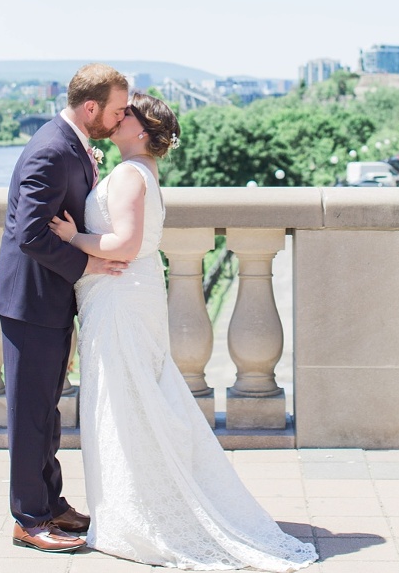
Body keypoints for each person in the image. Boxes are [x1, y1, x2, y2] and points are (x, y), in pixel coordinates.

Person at [49, 91, 317, 571]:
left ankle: (134, 515)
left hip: (120, 296)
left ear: (144, 132)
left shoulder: (132, 174)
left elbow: (124, 244)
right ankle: (131, 508)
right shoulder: (141, 171)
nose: (119, 116)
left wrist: (72, 238)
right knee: (130, 398)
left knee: (124, 398)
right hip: (124, 294)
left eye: (127, 113)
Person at [0, 63, 130, 554]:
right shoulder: (51, 150)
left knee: (45, 412)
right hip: (30, 302)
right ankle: (29, 519)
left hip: (49, 301)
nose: (120, 119)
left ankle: (50, 503)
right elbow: (29, 234)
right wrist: (86, 268)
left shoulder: (70, 144)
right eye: (117, 111)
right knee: (29, 413)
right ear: (91, 107)